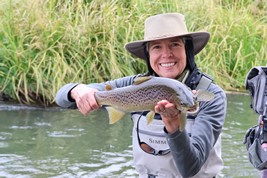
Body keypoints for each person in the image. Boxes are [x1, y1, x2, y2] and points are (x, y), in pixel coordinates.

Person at [56, 13, 227, 178]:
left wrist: (174, 127)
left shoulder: (211, 95)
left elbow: (190, 168)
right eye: (157, 47)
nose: (166, 54)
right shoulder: (135, 85)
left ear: (187, 50)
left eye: (175, 44)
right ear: (148, 55)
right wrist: (78, 90)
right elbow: (62, 99)